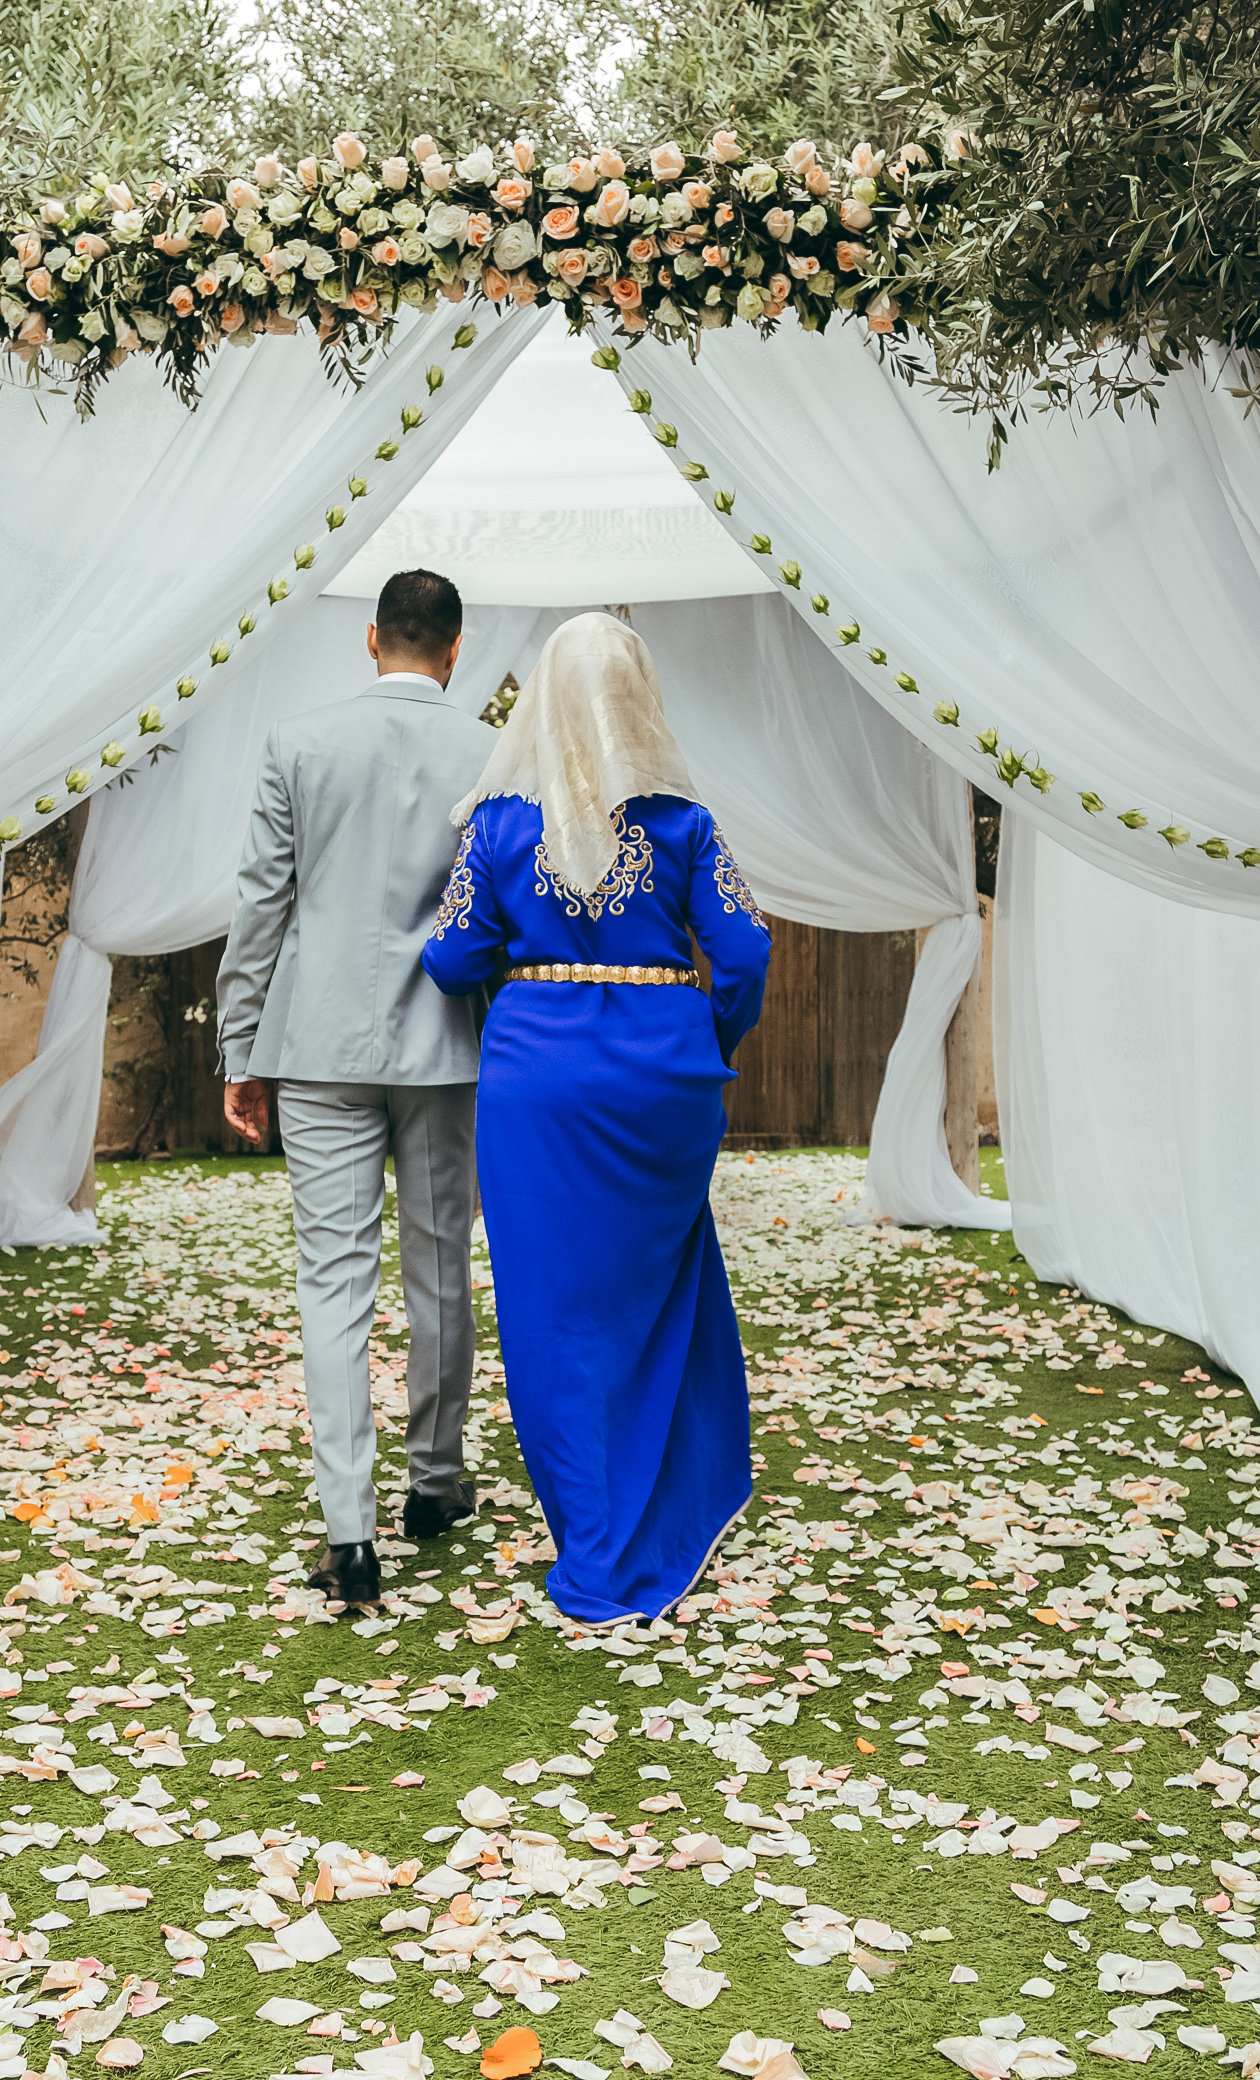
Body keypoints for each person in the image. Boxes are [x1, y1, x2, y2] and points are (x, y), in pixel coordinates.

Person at [420, 612, 772, 1626]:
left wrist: (520, 957)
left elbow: (448, 961)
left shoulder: (496, 825)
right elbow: (744, 951)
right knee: (656, 1290)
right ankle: (661, 1505)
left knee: (551, 1312)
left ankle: (595, 1542)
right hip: (665, 1080)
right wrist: (711, 1037)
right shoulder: (682, 822)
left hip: (537, 1088)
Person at [217, 568, 492, 1610]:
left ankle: (351, 1535)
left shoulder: (299, 743)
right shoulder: (488, 754)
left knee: (332, 1284)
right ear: (455, 649)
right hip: (443, 1042)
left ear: (373, 639)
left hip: (321, 1044)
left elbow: (261, 906)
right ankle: (435, 1482)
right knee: (439, 1270)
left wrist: (243, 1048)